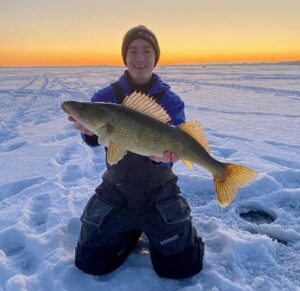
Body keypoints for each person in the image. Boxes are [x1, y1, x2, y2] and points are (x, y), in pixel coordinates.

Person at [68, 25, 205, 279]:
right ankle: (131, 230)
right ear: (124, 56)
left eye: (146, 51)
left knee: (183, 268)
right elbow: (96, 140)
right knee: (90, 263)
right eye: (132, 51)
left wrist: (163, 161)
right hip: (116, 190)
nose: (139, 58)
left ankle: (174, 233)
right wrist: (88, 133)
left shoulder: (171, 100)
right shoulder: (105, 98)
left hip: (159, 192)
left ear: (156, 57)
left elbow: (177, 144)